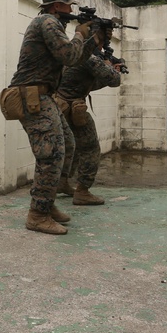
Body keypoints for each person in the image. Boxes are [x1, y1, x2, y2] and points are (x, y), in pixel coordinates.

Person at [8, 0, 98, 235]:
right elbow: (69, 55)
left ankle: (47, 203)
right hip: (32, 95)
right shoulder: (47, 22)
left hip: (43, 95)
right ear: (57, 6)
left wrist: (93, 39)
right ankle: (37, 214)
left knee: (67, 143)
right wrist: (81, 34)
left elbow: (77, 57)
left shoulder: (51, 23)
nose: (72, 10)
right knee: (51, 153)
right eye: (69, 5)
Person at [56, 33, 124, 206]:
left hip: (60, 105)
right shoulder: (89, 58)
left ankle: (62, 183)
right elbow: (114, 81)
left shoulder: (72, 53)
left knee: (71, 148)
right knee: (91, 149)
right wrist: (113, 70)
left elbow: (85, 84)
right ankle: (83, 191)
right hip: (72, 108)